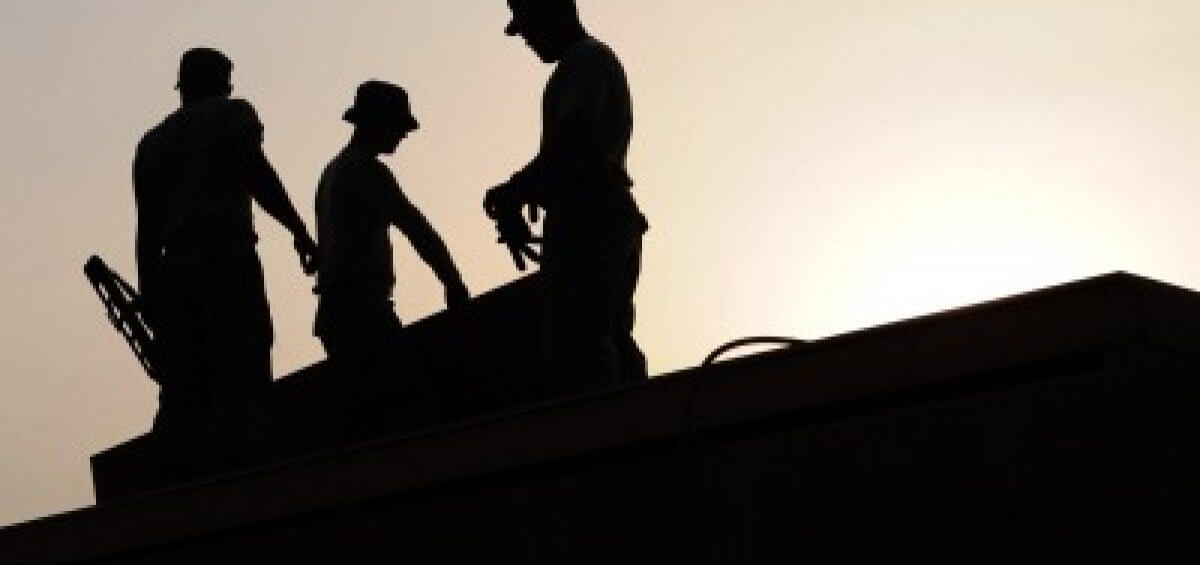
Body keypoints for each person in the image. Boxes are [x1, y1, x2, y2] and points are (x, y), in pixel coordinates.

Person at [133, 47, 318, 481]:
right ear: (220, 80)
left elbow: (146, 231)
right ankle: (246, 470)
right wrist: (298, 230)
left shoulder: (151, 144)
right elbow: (256, 172)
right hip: (224, 258)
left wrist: (149, 294)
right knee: (241, 358)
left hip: (172, 270)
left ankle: (173, 472)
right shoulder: (231, 113)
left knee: (182, 381)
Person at [485, 0, 649, 394]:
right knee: (609, 336)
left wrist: (516, 189)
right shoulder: (582, 64)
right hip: (599, 215)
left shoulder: (585, 61)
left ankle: (603, 435)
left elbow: (574, 138)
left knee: (580, 343)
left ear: (556, 15)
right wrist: (526, 189)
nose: (525, 39)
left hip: (591, 216)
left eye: (529, 28)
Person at [314, 80, 469, 437]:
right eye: (397, 127)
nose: (402, 135)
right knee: (410, 404)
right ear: (374, 122)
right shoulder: (364, 170)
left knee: (366, 417)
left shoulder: (332, 171)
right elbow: (415, 227)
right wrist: (452, 280)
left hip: (337, 313)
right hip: (360, 310)